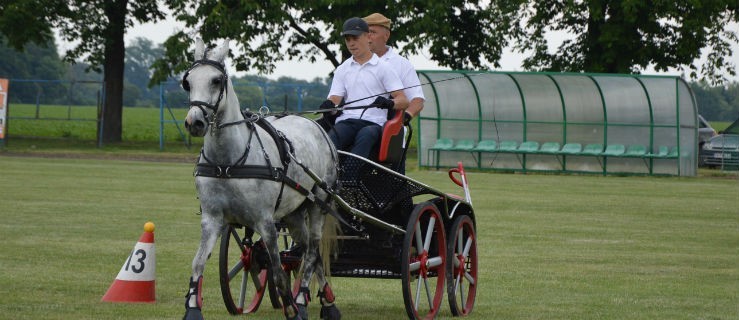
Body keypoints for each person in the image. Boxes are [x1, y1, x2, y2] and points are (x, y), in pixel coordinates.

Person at [320, 17, 409, 160]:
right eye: (348, 39)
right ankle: (328, 178)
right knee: (333, 137)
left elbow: (403, 100)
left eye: (355, 38)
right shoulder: (342, 69)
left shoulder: (384, 68)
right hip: (348, 121)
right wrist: (330, 105)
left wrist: (390, 103)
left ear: (368, 37)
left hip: (375, 123)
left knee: (366, 135)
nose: (351, 43)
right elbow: (335, 99)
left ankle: (350, 177)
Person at [363, 13, 425, 126]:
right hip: (353, 124)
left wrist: (405, 117)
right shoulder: (352, 63)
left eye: (372, 32)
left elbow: (417, 101)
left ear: (386, 36)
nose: (368, 37)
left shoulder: (402, 64)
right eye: (365, 33)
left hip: (385, 130)